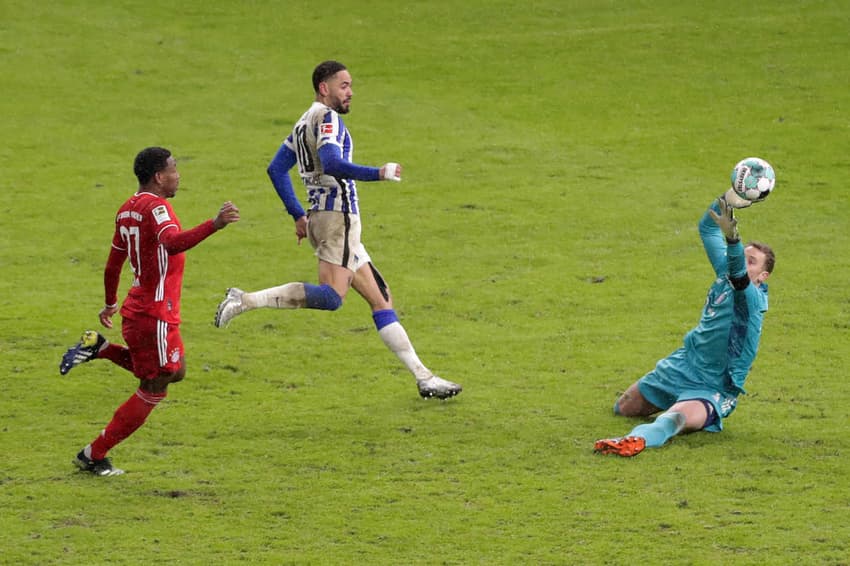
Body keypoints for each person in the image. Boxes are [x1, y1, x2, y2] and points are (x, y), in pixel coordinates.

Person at [214, 60, 461, 400]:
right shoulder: (326, 118)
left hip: (323, 218)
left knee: (381, 299)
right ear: (323, 88)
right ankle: (243, 300)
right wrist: (378, 173)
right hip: (337, 218)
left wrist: (298, 215)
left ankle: (424, 377)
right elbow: (331, 163)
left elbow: (276, 169)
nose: (350, 92)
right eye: (343, 85)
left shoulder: (303, 123)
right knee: (332, 298)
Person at [60, 146, 240, 476]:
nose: (178, 175)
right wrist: (214, 224)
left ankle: (99, 349)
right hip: (152, 314)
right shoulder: (158, 209)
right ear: (159, 177)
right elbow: (172, 243)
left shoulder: (127, 209)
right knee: (155, 385)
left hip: (145, 310)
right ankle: (93, 454)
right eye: (174, 169)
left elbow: (114, 262)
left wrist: (110, 302)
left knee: (176, 370)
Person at [594, 191, 774, 457]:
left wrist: (734, 239)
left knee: (673, 420)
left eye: (752, 262)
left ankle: (632, 441)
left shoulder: (752, 298)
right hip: (684, 363)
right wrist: (729, 198)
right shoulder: (726, 272)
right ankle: (677, 404)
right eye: (744, 256)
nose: (744, 263)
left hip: (714, 384)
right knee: (624, 408)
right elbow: (707, 228)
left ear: (763, 275)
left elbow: (738, 276)